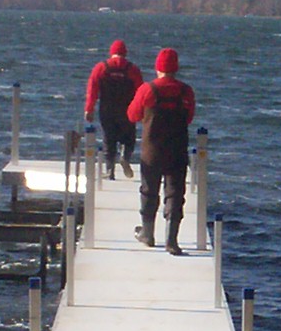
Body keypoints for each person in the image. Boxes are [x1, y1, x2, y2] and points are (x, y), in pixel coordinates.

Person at [127, 47, 198, 254]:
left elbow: (132, 115)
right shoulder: (186, 91)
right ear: (175, 68)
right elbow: (189, 117)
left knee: (149, 191)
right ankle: (172, 241)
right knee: (175, 193)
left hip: (152, 151)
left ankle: (147, 234)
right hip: (177, 149)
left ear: (158, 67)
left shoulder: (148, 90)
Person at [82, 38, 145, 179]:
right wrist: (141, 111)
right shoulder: (132, 69)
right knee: (128, 137)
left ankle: (110, 170)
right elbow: (141, 91)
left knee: (108, 139)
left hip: (107, 110)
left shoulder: (101, 67)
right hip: (127, 110)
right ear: (125, 53)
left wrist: (89, 109)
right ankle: (125, 157)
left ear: (111, 53)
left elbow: (92, 89)